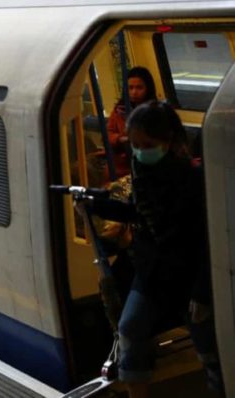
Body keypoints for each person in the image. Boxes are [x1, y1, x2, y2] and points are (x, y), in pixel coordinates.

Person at [90, 101, 221, 397]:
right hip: (153, 273)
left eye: (146, 145)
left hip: (190, 277)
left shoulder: (193, 180)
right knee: (130, 328)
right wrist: (100, 205)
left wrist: (202, 293)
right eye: (134, 145)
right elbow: (140, 213)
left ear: (170, 142)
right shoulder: (141, 171)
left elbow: (204, 239)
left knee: (210, 350)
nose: (138, 152)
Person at [107, 67, 157, 177]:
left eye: (139, 88)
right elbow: (108, 134)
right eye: (130, 88)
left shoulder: (155, 111)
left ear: (148, 89)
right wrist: (119, 138)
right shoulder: (119, 110)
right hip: (119, 160)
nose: (134, 92)